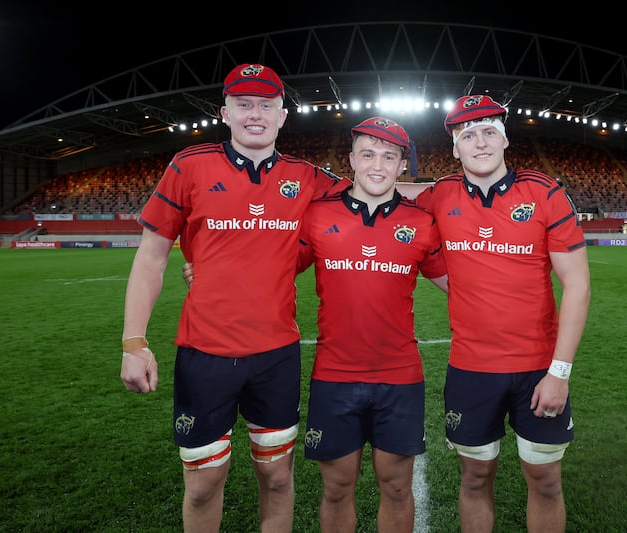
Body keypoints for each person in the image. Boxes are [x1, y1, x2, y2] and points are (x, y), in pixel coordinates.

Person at [184, 116, 448, 532]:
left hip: (400, 377)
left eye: (389, 156)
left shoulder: (420, 223)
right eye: (368, 154)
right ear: (351, 161)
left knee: (397, 487)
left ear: (402, 166)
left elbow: (462, 285)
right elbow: (271, 263)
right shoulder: (316, 216)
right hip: (334, 377)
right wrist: (212, 269)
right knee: (337, 488)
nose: (377, 165)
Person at [119, 63, 346, 533]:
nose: (255, 115)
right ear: (226, 112)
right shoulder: (189, 164)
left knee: (277, 476)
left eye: (266, 105)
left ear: (283, 115)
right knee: (203, 482)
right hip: (204, 354)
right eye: (244, 105)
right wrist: (134, 343)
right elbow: (151, 259)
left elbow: (372, 196)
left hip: (276, 356)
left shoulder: (305, 177)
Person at [412, 94, 591, 533]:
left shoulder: (544, 193)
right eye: (467, 135)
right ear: (454, 148)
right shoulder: (438, 196)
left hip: (538, 369)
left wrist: (559, 373)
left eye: (489, 131)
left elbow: (578, 286)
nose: (480, 142)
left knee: (545, 480)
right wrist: (461, 288)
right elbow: (401, 235)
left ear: (505, 138)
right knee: (474, 478)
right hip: (471, 369)